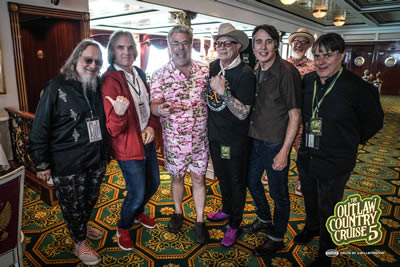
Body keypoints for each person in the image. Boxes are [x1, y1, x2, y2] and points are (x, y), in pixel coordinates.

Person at [295, 33, 384, 266]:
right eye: (317, 55)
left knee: (329, 207)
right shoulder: (308, 81)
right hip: (307, 154)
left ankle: (327, 252)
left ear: (341, 56)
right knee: (310, 198)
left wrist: (349, 140)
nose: (321, 61)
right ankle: (311, 228)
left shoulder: (359, 88)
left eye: (328, 55)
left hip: (336, 160)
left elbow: (375, 122)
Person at [29, 40, 108, 265]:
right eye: (88, 60)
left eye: (97, 62)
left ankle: (82, 226)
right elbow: (40, 127)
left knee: (89, 199)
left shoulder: (96, 85)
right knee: (72, 205)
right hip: (67, 161)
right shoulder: (55, 87)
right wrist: (42, 164)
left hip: (96, 158)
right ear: (76, 60)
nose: (93, 65)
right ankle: (79, 242)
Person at [242, 24, 302, 256]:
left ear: (276, 44)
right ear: (253, 45)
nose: (263, 46)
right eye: (258, 41)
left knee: (279, 194)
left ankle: (276, 237)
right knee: (252, 181)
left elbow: (294, 114)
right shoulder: (256, 68)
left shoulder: (287, 72)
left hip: (275, 143)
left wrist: (285, 151)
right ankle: (264, 218)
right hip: (255, 140)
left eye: (268, 41)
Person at [101, 30, 161, 251]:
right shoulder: (109, 80)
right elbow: (112, 128)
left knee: (154, 183)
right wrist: (118, 113)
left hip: (147, 140)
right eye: (120, 47)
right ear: (112, 52)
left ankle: (136, 214)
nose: (126, 51)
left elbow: (148, 109)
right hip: (127, 147)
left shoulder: (138, 72)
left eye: (129, 47)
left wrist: (153, 128)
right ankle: (123, 227)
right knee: (136, 192)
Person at [150, 25, 210, 244]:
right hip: (174, 141)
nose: (180, 47)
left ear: (191, 44)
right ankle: (178, 212)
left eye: (185, 42)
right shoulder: (159, 75)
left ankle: (200, 220)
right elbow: (154, 104)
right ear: (169, 45)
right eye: (176, 43)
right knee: (176, 178)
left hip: (200, 140)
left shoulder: (205, 70)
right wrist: (160, 109)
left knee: (199, 179)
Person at [206, 23, 256, 246]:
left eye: (228, 43)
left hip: (235, 141)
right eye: (219, 43)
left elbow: (243, 113)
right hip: (215, 137)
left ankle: (235, 224)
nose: (223, 47)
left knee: (236, 182)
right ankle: (227, 209)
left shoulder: (245, 74)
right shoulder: (213, 65)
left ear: (238, 46)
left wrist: (223, 92)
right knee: (222, 177)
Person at [287, 28, 315, 196]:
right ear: (291, 44)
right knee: (278, 148)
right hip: (283, 117)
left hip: (303, 118)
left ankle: (300, 180)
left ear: (308, 46)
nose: (299, 45)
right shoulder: (281, 64)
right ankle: (273, 173)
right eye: (296, 41)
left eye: (303, 42)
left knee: (302, 153)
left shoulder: (313, 66)